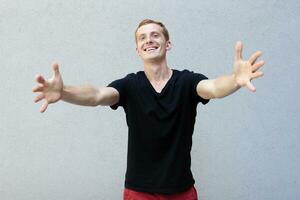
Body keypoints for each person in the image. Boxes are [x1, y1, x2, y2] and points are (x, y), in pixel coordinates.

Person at [32, 19, 265, 200]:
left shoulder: (186, 82)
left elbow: (213, 87)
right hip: (139, 192)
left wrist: (235, 80)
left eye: (155, 35)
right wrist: (64, 93)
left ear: (168, 44)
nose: (149, 40)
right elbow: (97, 95)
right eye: (142, 37)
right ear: (137, 50)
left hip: (181, 191)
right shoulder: (130, 85)